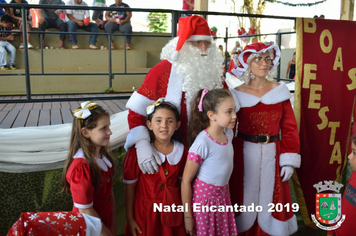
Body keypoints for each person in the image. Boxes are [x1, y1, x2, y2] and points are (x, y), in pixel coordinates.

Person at [124, 15, 224, 175]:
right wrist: (142, 143)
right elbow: (136, 112)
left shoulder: (214, 74)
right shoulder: (162, 70)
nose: (204, 48)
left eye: (207, 42)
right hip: (170, 156)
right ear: (183, 43)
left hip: (209, 155)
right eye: (197, 42)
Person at [229, 42, 301, 235]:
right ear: (247, 62)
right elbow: (228, 128)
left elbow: (289, 128)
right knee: (242, 197)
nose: (264, 63)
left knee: (274, 199)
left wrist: (288, 160)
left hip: (275, 154)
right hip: (243, 155)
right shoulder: (236, 94)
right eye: (259, 58)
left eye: (268, 58)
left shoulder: (280, 90)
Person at [123, 99, 187, 236]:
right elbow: (130, 188)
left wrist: (187, 215)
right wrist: (130, 218)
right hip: (144, 214)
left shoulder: (183, 152)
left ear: (177, 125)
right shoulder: (136, 153)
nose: (164, 125)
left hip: (173, 213)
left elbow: (184, 185)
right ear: (149, 125)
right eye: (158, 120)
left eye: (170, 121)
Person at [181, 89, 238, 236]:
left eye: (234, 111)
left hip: (222, 200)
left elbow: (225, 177)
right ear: (211, 115)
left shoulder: (227, 136)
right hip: (205, 204)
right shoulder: (202, 142)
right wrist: (187, 216)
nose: (234, 116)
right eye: (229, 112)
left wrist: (228, 202)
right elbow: (186, 181)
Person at [62, 101, 116, 236]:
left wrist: (113, 226)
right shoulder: (81, 168)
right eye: (103, 128)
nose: (110, 131)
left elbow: (110, 194)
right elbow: (85, 209)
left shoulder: (104, 158)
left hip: (103, 225)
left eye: (108, 126)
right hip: (89, 228)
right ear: (86, 132)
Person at [332, 135, 356, 236]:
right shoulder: (354, 174)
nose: (349, 156)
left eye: (354, 153)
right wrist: (331, 230)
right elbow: (343, 204)